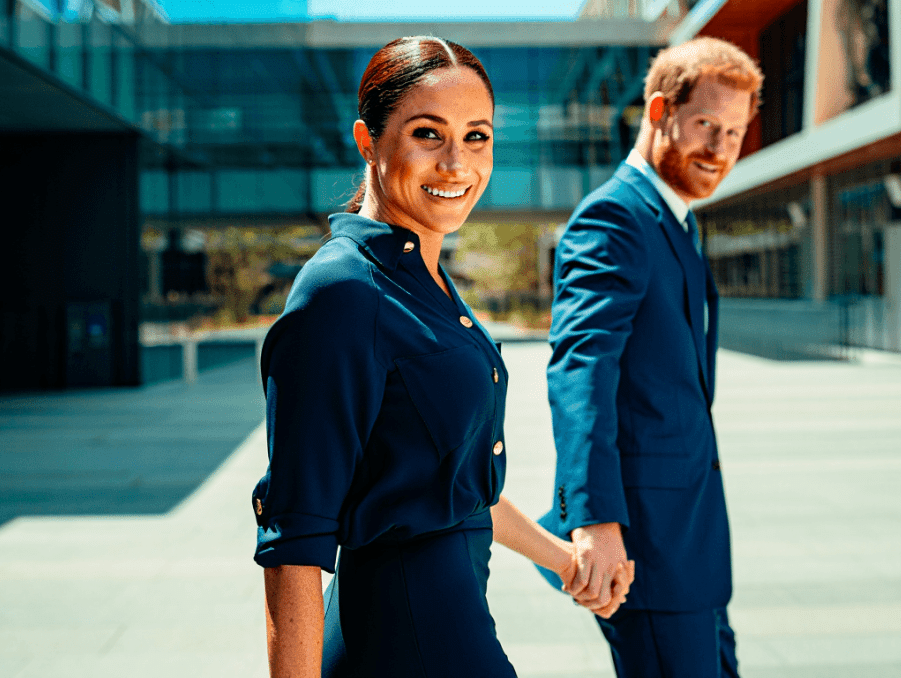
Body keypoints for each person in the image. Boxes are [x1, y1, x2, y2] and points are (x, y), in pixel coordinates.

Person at [252, 36, 628, 678]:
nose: (457, 163)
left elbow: (449, 485)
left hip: (449, 626)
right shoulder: (343, 292)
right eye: (429, 133)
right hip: (408, 643)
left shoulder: (425, 278)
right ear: (368, 141)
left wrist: (562, 559)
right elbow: (294, 539)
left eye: (476, 136)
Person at [539, 37, 763, 677]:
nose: (721, 149)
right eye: (706, 126)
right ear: (660, 110)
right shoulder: (613, 220)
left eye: (735, 132)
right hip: (646, 550)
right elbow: (581, 370)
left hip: (691, 548)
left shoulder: (679, 220)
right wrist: (597, 522)